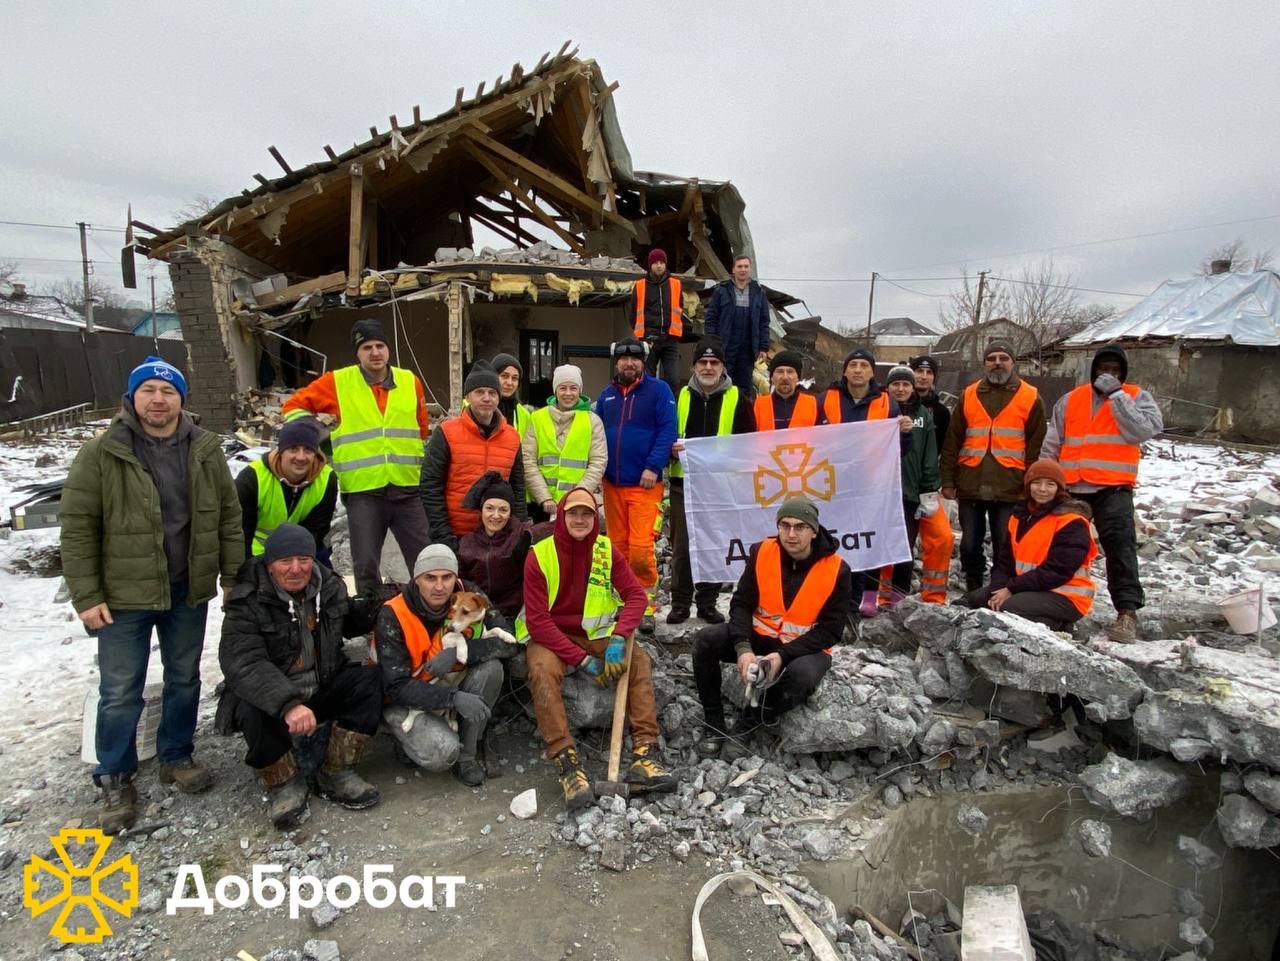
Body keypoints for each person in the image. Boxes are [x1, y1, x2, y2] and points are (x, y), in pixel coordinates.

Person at [60, 355, 243, 834]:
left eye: (168, 391)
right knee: (121, 690)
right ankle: (115, 776)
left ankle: (176, 755)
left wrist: (231, 576)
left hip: (188, 589)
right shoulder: (103, 452)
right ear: (132, 397)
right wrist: (86, 595)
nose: (158, 400)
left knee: (185, 678)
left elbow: (228, 516)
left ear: (181, 399)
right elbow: (77, 527)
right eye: (148, 391)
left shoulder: (204, 449)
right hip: (124, 594)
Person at [218, 525, 383, 828]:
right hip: (276, 698)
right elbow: (244, 662)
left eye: (304, 560)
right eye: (286, 561)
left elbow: (348, 622)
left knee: (370, 680)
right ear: (270, 565)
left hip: (321, 685)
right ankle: (283, 784)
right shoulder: (247, 600)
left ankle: (336, 771)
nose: (296, 569)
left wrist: (377, 606)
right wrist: (288, 704)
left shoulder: (328, 586)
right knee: (248, 705)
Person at [520, 488, 675, 809]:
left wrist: (619, 638)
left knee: (638, 660)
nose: (580, 520)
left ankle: (644, 754)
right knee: (541, 670)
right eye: (573, 513)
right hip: (552, 636)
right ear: (561, 517)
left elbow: (636, 596)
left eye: (587, 514)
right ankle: (567, 765)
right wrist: (582, 661)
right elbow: (538, 622)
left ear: (595, 518)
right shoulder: (539, 556)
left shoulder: (605, 550)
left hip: (595, 634)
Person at [692, 497, 851, 758]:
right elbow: (741, 604)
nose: (791, 534)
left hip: (804, 647)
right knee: (705, 640)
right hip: (760, 634)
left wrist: (782, 656)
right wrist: (743, 648)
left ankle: (749, 722)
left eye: (800, 527)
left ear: (814, 531)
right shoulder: (762, 552)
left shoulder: (837, 570)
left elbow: (831, 631)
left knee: (801, 676)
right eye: (784, 525)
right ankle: (714, 724)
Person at [282, 319, 431, 593]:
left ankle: (425, 614)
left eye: (380, 346)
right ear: (357, 353)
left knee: (426, 563)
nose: (375, 353)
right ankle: (371, 615)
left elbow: (421, 430)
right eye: (367, 347)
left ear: (388, 349)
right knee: (366, 567)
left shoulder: (410, 382)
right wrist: (320, 439)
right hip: (363, 493)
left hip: (407, 489)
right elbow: (292, 407)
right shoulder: (338, 382)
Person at [1041, 344, 1163, 642]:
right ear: (1093, 370)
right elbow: (1053, 442)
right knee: (1061, 547)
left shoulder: (1135, 397)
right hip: (1072, 487)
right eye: (1103, 368)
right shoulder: (1072, 399)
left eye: (1115, 370)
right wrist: (1045, 476)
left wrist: (1117, 396)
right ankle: (1056, 606)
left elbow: (1143, 430)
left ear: (1123, 373)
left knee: (1120, 546)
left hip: (1113, 487)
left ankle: (1127, 611)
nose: (1108, 374)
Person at [376, 544, 516, 786]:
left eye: (447, 577)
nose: (440, 586)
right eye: (430, 578)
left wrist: (458, 653)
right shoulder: (393, 614)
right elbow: (395, 686)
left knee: (492, 669)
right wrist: (453, 698)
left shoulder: (467, 593)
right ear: (417, 579)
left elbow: (510, 643)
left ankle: (468, 754)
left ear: (455, 577)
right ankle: (401, 735)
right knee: (443, 752)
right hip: (404, 698)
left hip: (450, 680)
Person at [940, 340, 1046, 592]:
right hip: (971, 483)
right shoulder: (969, 394)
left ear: (1013, 362)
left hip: (1011, 485)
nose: (997, 363)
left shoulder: (1030, 396)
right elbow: (952, 441)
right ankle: (974, 587)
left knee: (1004, 544)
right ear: (984, 363)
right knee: (969, 545)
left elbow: (1036, 447)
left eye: (1003, 358)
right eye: (992, 358)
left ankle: (1000, 589)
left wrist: (1031, 485)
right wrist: (948, 481)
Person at [819, 347, 913, 616]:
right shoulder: (826, 399)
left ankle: (856, 600)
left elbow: (897, 450)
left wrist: (905, 434)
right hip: (832, 485)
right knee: (832, 541)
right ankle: (827, 596)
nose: (858, 370)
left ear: (872, 372)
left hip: (869, 487)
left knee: (861, 542)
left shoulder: (886, 403)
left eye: (864, 366)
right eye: (853, 365)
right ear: (845, 370)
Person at [668, 337, 755, 625]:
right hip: (684, 485)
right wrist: (670, 449)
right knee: (682, 547)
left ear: (722, 367)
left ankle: (707, 603)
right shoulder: (679, 397)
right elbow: (667, 434)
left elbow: (748, 442)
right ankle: (680, 604)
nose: (708, 367)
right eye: (703, 362)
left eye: (714, 362)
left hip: (720, 486)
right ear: (694, 366)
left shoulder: (738, 399)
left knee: (714, 544)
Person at [593, 337, 677, 634]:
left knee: (641, 550)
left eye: (635, 358)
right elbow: (595, 433)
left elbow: (668, 430)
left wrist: (653, 466)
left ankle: (646, 607)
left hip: (645, 484)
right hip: (612, 484)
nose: (629, 363)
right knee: (618, 549)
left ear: (643, 362)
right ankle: (624, 603)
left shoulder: (659, 391)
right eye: (624, 359)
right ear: (616, 362)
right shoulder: (606, 396)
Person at [958, 459, 1097, 631]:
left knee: (1008, 608)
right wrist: (998, 587)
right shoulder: (1019, 517)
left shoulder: (1072, 522)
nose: (1042, 489)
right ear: (1028, 485)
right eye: (1036, 483)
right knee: (972, 600)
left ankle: (1060, 625)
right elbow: (1005, 562)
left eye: (1050, 484)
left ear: (1059, 489)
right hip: (1028, 587)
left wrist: (1011, 588)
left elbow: (1057, 571)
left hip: (1066, 596)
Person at [420, 360, 527, 551]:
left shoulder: (512, 437)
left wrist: (518, 531)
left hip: (497, 537)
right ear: (468, 396)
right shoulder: (446, 433)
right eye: (479, 392)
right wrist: (443, 534)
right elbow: (430, 486)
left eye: (492, 392)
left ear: (499, 397)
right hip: (455, 535)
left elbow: (518, 488)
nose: (486, 398)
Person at [883, 366, 954, 604]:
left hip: (910, 491)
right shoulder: (879, 410)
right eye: (895, 384)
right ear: (887, 387)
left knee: (905, 543)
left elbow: (929, 454)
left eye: (906, 384)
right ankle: (880, 593)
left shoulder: (923, 414)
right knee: (884, 541)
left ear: (913, 388)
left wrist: (929, 490)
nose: (900, 389)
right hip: (883, 491)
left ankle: (899, 595)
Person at [235, 416, 338, 567]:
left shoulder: (327, 479)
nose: (301, 457)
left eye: (308, 450)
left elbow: (317, 530)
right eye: (293, 449)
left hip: (302, 550)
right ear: (281, 451)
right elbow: (240, 532)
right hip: (256, 552)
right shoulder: (253, 477)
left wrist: (290, 565)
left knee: (327, 576)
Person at [457, 471, 553, 619]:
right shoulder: (467, 542)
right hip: (480, 614)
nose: (496, 515)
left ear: (510, 513)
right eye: (489, 508)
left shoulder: (520, 533)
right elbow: (461, 584)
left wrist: (530, 536)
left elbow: (555, 527)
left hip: (514, 614)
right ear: (481, 509)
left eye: (503, 510)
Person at [521, 364, 607, 520]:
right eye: (562, 388)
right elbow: (527, 460)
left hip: (578, 505)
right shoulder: (537, 418)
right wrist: (544, 498)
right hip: (542, 506)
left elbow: (598, 462)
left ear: (579, 391)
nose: (568, 393)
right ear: (555, 390)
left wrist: (578, 496)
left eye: (573, 388)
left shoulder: (592, 421)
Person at [705, 254, 772, 395]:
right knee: (722, 384)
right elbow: (711, 319)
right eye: (739, 266)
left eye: (746, 266)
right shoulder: (722, 291)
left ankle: (742, 409)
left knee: (744, 388)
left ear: (750, 269)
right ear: (733, 270)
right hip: (725, 348)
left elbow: (764, 321)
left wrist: (763, 347)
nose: (743, 270)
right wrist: (712, 344)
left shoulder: (758, 292)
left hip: (748, 350)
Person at [628, 248, 683, 395]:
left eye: (661, 262)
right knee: (646, 379)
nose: (659, 265)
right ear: (650, 265)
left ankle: (669, 405)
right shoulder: (640, 285)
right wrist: (642, 334)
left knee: (673, 379)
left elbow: (680, 308)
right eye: (655, 263)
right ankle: (648, 405)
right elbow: (633, 313)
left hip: (670, 339)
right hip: (649, 340)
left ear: (665, 264)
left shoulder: (676, 284)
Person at [753, 350, 819, 431]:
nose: (785, 377)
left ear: (798, 377)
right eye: (780, 372)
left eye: (790, 372)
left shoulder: (812, 404)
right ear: (772, 378)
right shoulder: (759, 405)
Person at [909, 354, 951, 452]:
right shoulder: (900, 407)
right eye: (920, 371)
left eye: (929, 372)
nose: (924, 377)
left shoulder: (942, 413)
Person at [490, 352, 532, 439]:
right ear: (492, 376)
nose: (509, 383)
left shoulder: (524, 415)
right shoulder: (473, 408)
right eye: (504, 376)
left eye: (514, 378)